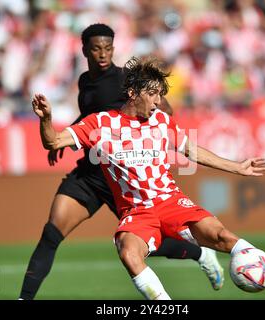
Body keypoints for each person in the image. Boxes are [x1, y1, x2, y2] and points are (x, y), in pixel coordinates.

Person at [32, 56, 265, 300]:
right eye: (153, 94)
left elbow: (191, 150)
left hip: (171, 202)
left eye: (161, 94)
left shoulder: (161, 121)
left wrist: (237, 167)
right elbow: (54, 142)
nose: (159, 102)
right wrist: (46, 118)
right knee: (129, 253)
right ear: (133, 93)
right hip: (138, 212)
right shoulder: (100, 123)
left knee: (223, 237)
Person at [19, 24, 224, 300]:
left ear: (114, 49)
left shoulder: (125, 80)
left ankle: (201, 253)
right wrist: (61, 137)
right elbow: (92, 116)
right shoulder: (84, 81)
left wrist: (152, 116)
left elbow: (165, 109)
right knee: (51, 234)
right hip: (91, 174)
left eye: (108, 48)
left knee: (148, 243)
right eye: (96, 48)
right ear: (85, 51)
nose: (103, 54)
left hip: (125, 177)